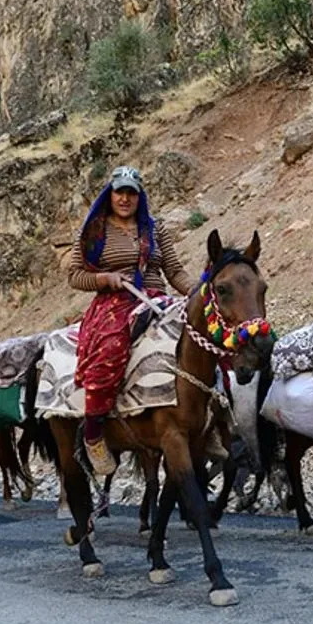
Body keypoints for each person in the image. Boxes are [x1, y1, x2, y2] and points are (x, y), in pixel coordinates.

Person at [67, 166, 195, 475]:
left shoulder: (154, 229)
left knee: (205, 339)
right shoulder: (94, 231)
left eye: (131, 193)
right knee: (110, 349)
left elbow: (174, 270)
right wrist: (105, 278)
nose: (125, 198)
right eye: (119, 192)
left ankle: (213, 422)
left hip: (158, 298)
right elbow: (74, 275)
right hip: (116, 301)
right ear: (109, 194)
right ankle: (94, 432)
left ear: (140, 197)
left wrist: (199, 294)